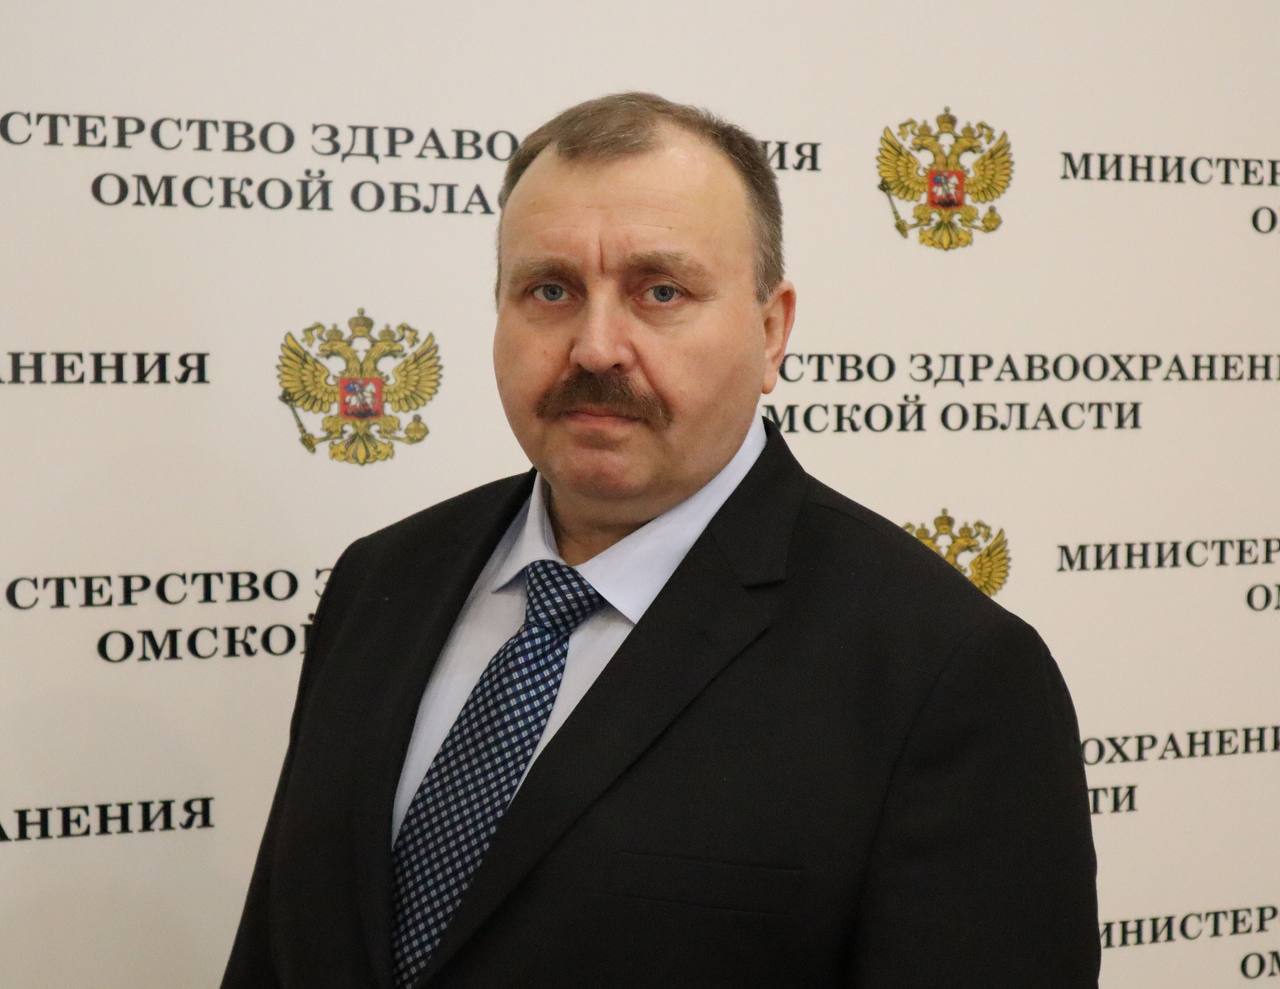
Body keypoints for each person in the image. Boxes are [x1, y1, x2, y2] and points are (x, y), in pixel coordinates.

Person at [222, 92, 1099, 988]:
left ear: (771, 332)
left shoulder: (944, 675)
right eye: (551, 290)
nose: (596, 347)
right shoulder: (383, 580)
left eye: (661, 292)